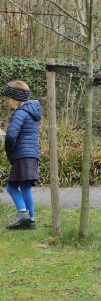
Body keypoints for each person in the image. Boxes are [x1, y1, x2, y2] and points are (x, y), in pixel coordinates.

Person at [2, 81, 41, 230]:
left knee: (11, 187)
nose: (7, 102)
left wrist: (10, 153)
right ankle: (30, 221)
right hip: (31, 154)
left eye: (8, 98)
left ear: (15, 99)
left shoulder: (20, 113)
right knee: (25, 187)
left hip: (22, 155)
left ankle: (22, 214)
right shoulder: (32, 112)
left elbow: (11, 136)